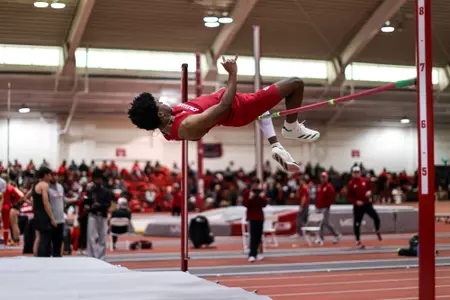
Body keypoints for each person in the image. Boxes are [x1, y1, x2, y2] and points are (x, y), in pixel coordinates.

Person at [128, 56, 320, 173]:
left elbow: (206, 102)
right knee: (295, 83)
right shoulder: (186, 126)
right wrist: (232, 74)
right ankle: (291, 127)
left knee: (264, 110)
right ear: (159, 115)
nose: (162, 102)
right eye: (158, 104)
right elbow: (224, 106)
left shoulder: (170, 117)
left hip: (239, 102)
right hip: (240, 108)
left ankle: (277, 146)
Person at [346, 166, 382, 249]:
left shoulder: (364, 181)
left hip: (367, 204)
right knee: (357, 224)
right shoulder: (351, 183)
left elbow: (370, 188)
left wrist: (369, 192)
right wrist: (356, 202)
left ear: (360, 172)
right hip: (358, 207)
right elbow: (348, 196)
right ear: (352, 174)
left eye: (358, 172)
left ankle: (377, 230)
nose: (356, 174)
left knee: (376, 217)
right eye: (355, 172)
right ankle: (358, 241)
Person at [86, 169, 112, 260]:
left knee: (103, 237)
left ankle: (101, 257)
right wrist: (91, 206)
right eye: (96, 179)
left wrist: (100, 205)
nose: (98, 181)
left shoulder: (106, 191)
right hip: (93, 215)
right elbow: (87, 203)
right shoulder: (90, 191)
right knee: (91, 237)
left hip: (103, 215)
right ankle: (91, 257)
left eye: (99, 179)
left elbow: (108, 204)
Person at [33, 167, 57, 257]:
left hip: (37, 214)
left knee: (40, 238)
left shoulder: (35, 185)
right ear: (46, 175)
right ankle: (43, 259)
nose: (50, 177)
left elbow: (31, 200)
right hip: (43, 215)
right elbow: (46, 203)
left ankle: (40, 257)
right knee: (45, 239)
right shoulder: (44, 185)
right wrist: (52, 218)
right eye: (49, 175)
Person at [242, 178, 267, 263]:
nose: (255, 185)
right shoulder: (247, 193)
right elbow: (245, 204)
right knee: (253, 237)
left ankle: (260, 253)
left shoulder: (261, 192)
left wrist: (262, 197)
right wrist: (250, 197)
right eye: (254, 184)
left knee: (259, 236)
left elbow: (264, 205)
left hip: (260, 217)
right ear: (251, 184)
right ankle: (252, 254)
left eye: (257, 184)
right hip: (252, 217)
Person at [314, 172, 341, 245]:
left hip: (325, 208)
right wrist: (316, 205)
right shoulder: (319, 186)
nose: (322, 179)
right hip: (319, 207)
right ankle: (321, 238)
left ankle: (337, 234)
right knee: (320, 223)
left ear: (326, 178)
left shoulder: (329, 186)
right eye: (322, 177)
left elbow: (332, 197)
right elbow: (317, 196)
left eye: (324, 177)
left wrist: (327, 206)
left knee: (325, 223)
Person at [1, 177, 24, 246]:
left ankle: (8, 241)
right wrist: (11, 203)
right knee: (6, 226)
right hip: (6, 206)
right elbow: (20, 196)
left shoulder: (10, 187)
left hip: (5, 206)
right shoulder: (10, 187)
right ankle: (5, 241)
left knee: (9, 225)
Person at [48, 172, 66, 257]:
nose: (55, 177)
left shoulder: (60, 187)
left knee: (59, 241)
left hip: (61, 218)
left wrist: (75, 199)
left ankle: (58, 257)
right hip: (52, 219)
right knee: (51, 241)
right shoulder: (47, 188)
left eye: (56, 175)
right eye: (53, 175)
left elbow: (63, 200)